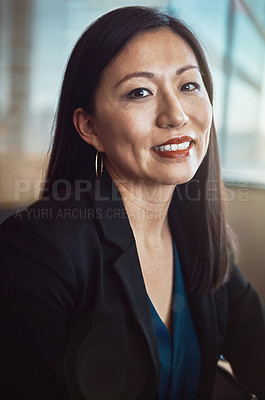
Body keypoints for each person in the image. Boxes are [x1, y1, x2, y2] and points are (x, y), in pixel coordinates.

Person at [0, 6, 265, 400]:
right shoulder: (37, 249)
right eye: (140, 92)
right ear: (89, 127)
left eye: (189, 85)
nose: (175, 115)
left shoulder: (201, 235)